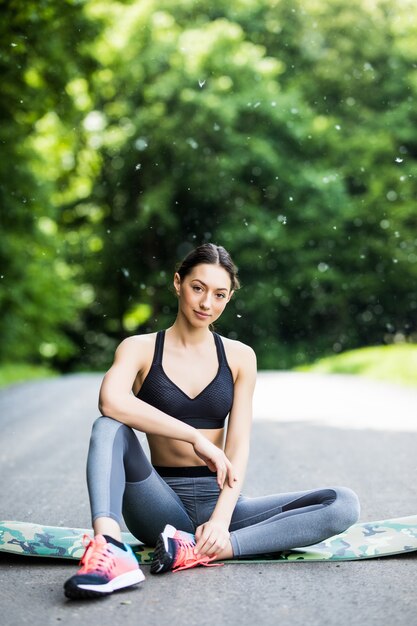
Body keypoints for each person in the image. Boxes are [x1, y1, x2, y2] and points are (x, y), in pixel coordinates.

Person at [64, 243, 360, 599]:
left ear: (229, 297)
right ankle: (110, 549)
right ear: (178, 283)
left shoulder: (240, 357)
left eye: (219, 294)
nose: (206, 304)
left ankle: (210, 548)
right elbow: (109, 402)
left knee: (342, 503)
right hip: (156, 502)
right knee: (108, 427)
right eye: (197, 288)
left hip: (218, 503)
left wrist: (220, 523)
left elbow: (237, 447)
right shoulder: (139, 348)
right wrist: (195, 437)